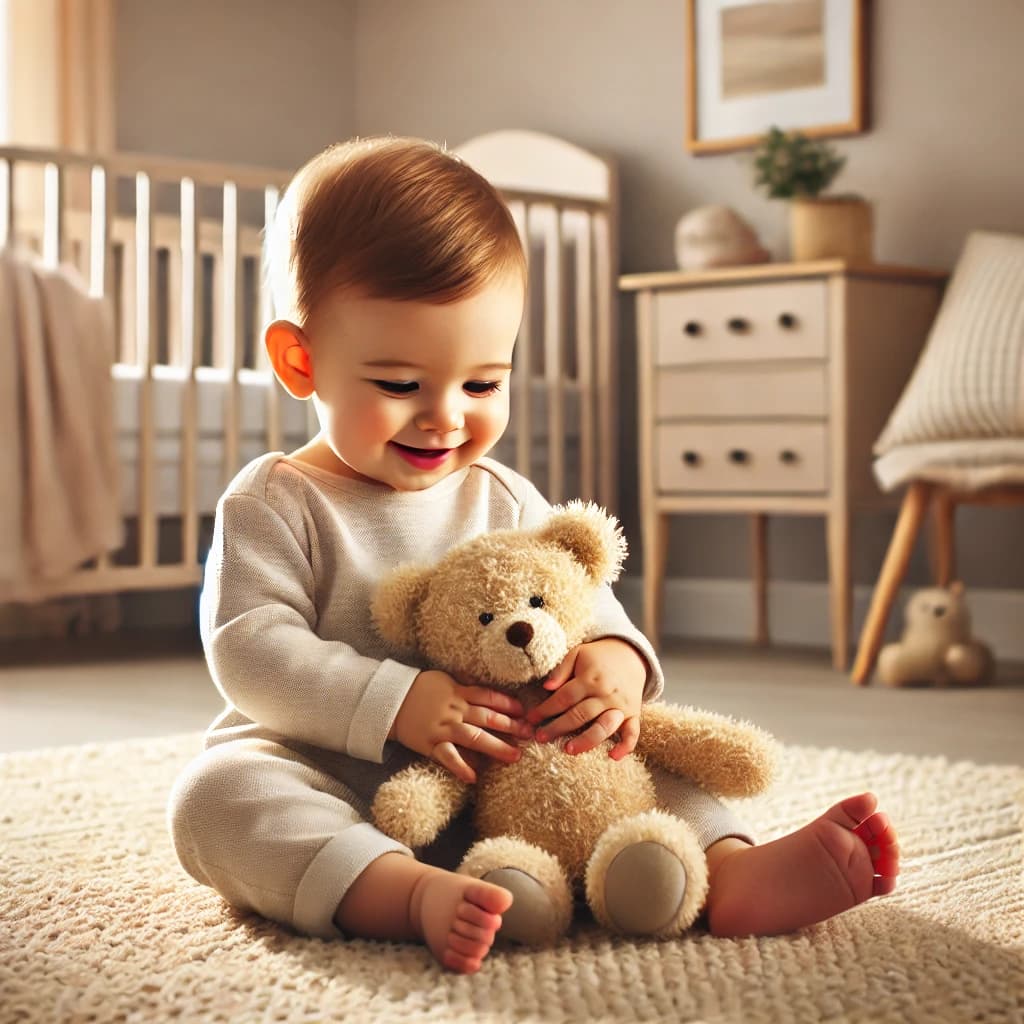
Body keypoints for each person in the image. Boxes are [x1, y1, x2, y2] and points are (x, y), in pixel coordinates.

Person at [168, 136, 900, 975]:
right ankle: (403, 893)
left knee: (630, 750)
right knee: (214, 798)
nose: (445, 418)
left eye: (482, 384)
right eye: (401, 385)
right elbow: (250, 651)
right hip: (336, 778)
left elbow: (585, 602)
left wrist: (615, 666)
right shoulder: (276, 501)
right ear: (302, 360)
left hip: (513, 786)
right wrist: (394, 701)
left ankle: (726, 871)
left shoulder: (506, 497)